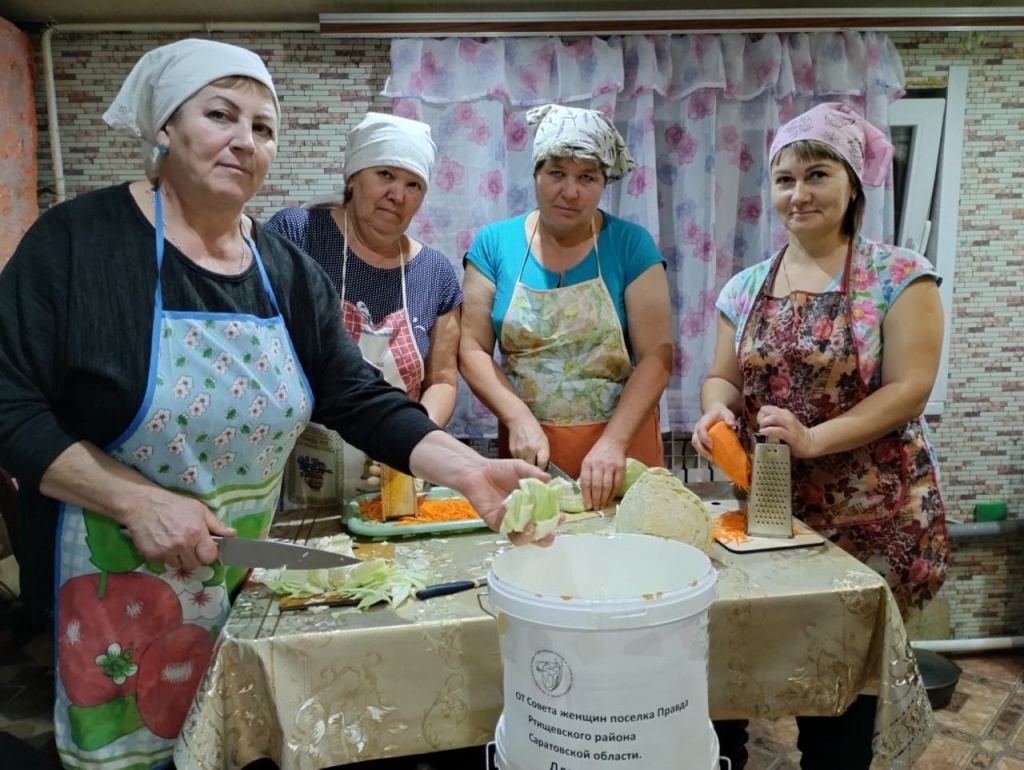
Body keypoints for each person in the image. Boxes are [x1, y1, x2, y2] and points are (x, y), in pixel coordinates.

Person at [0, 39, 546, 770]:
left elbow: (353, 393)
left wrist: (469, 472)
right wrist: (133, 501)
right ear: (165, 126)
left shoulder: (281, 269)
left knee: (243, 746)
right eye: (221, 114)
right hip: (109, 587)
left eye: (263, 127)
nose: (245, 141)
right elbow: (9, 402)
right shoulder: (77, 244)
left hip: (242, 577)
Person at [691, 102, 950, 770]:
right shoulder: (745, 287)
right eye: (784, 179)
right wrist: (716, 413)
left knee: (839, 697)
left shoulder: (901, 277)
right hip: (773, 514)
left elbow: (908, 389)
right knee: (740, 667)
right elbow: (721, 377)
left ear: (852, 185)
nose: (798, 193)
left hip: (874, 517)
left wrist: (813, 439)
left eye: (817, 174)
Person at [459, 104, 673, 511]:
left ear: (604, 183)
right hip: (531, 449)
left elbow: (657, 356)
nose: (570, 191)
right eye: (556, 173)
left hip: (622, 448)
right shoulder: (494, 244)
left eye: (587, 177)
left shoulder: (630, 244)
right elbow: (471, 349)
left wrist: (614, 442)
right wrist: (518, 419)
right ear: (536, 174)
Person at [267, 112, 462, 500]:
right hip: (301, 467)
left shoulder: (435, 272)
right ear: (353, 176)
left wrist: (411, 438)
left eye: (414, 184)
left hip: (394, 472)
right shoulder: (299, 234)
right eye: (385, 174)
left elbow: (441, 379)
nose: (398, 194)